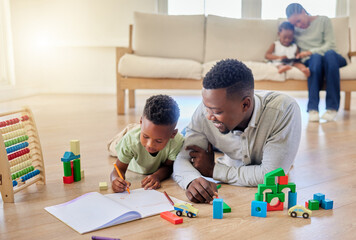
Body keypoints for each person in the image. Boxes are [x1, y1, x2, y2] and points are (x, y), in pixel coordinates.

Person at [173, 59, 302, 203]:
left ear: (245, 104)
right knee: (177, 143)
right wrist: (191, 180)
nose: (208, 115)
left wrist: (214, 171)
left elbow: (272, 176)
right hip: (224, 140)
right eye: (206, 107)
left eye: (216, 111)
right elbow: (183, 158)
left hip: (231, 152)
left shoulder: (283, 110)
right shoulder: (205, 112)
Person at [110, 95, 184, 192]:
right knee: (113, 147)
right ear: (141, 122)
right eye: (146, 137)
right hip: (128, 139)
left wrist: (157, 176)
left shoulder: (177, 142)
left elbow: (169, 167)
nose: (150, 145)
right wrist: (115, 180)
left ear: (173, 134)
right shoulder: (130, 140)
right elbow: (118, 169)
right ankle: (132, 128)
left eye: (158, 141)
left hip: (141, 134)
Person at [286, 3, 347, 122]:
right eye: (294, 24)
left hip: (332, 57)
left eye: (298, 20)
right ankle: (313, 109)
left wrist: (309, 51)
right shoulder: (294, 30)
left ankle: (332, 108)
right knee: (316, 58)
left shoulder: (323, 20)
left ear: (303, 11)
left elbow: (330, 45)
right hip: (314, 61)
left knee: (329, 55)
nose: (298, 25)